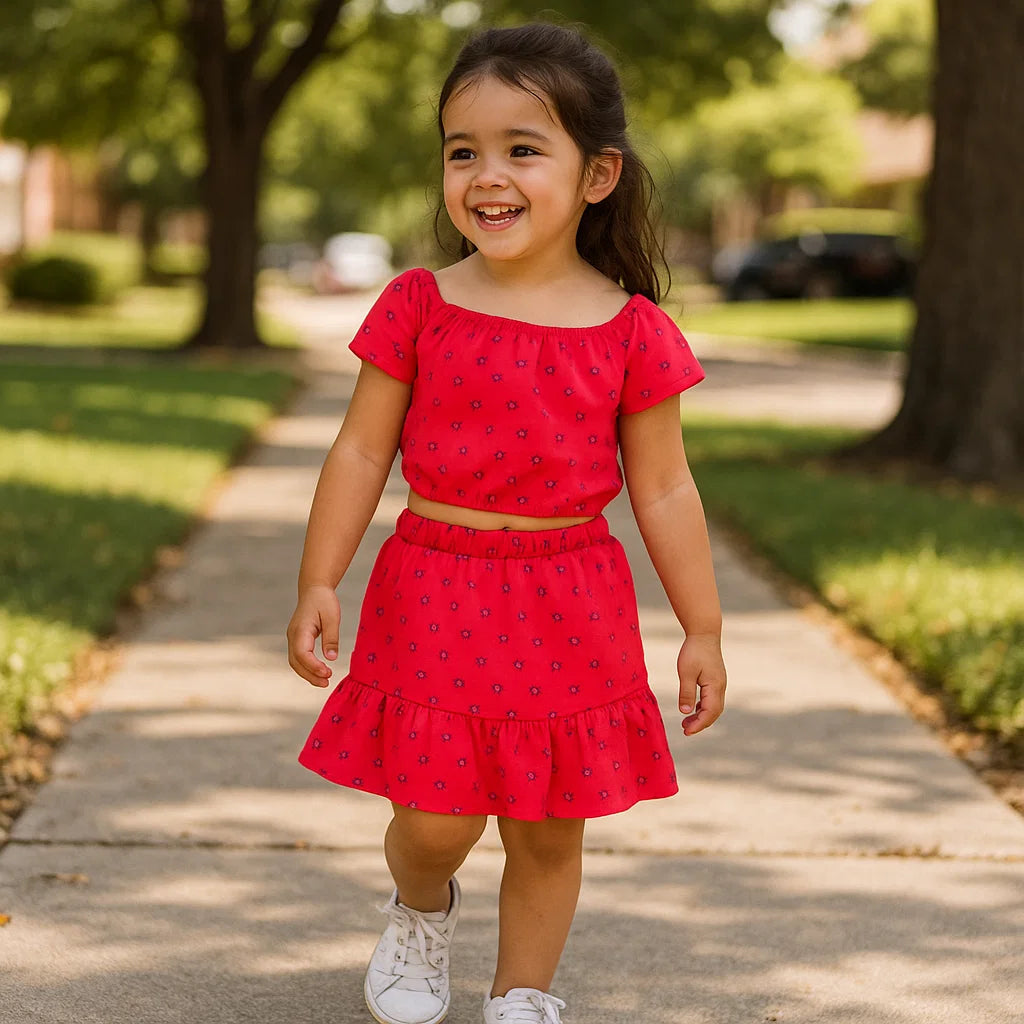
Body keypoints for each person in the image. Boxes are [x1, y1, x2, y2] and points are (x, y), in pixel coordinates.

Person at [286, 20, 727, 1024]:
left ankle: (523, 993)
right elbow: (359, 452)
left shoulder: (632, 331)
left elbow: (665, 489)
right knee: (434, 822)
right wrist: (319, 579)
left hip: (570, 600)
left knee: (548, 826)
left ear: (597, 174)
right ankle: (419, 904)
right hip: (434, 587)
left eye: (522, 149)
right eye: (463, 152)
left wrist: (701, 626)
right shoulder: (418, 304)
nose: (487, 175)